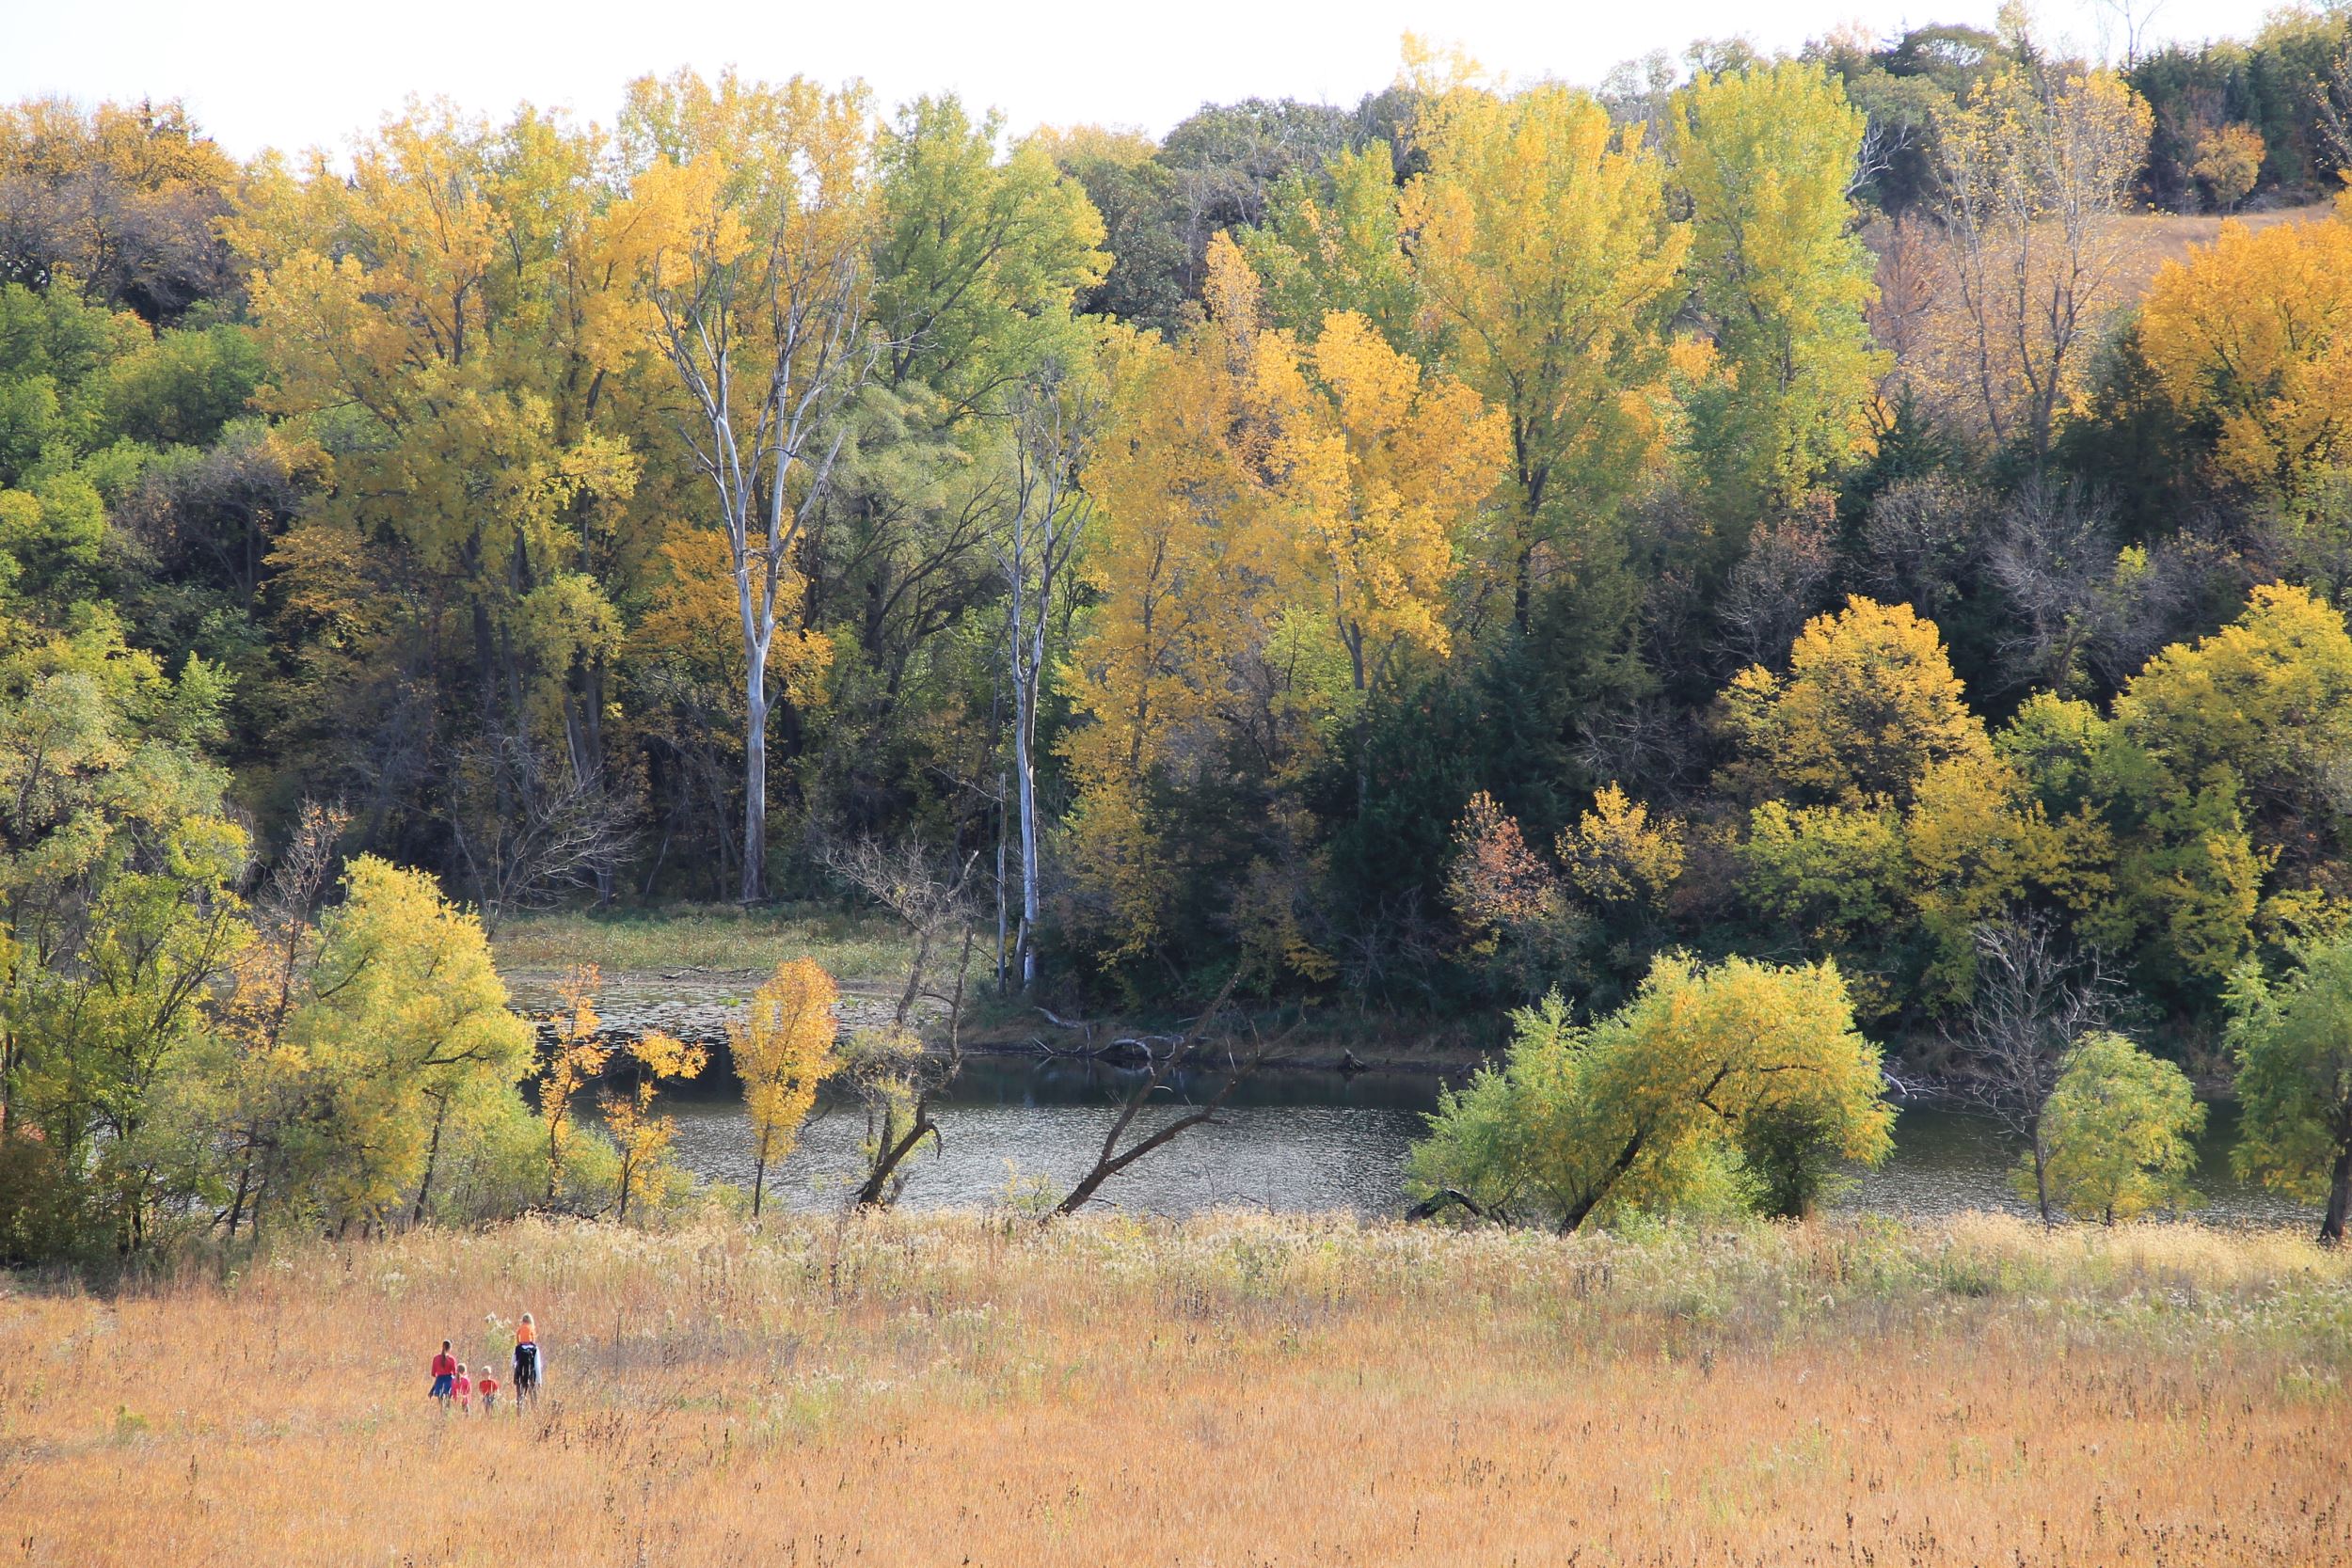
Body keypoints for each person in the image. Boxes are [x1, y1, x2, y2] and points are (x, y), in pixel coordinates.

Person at [512, 1314, 542, 1405]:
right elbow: (537, 1366)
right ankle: (534, 1414)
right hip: (531, 1376)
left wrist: (517, 1371)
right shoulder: (534, 1349)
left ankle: (519, 1415)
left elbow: (512, 1363)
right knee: (533, 1398)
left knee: (520, 1399)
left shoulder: (517, 1349)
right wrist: (539, 1381)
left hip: (520, 1376)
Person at [429, 1339, 455, 1404]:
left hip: (439, 1381)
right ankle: (447, 1413)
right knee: (448, 1402)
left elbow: (433, 1373)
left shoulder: (436, 1358)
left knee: (441, 1403)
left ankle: (442, 1413)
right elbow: (455, 1373)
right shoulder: (452, 1359)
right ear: (450, 1348)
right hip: (449, 1380)